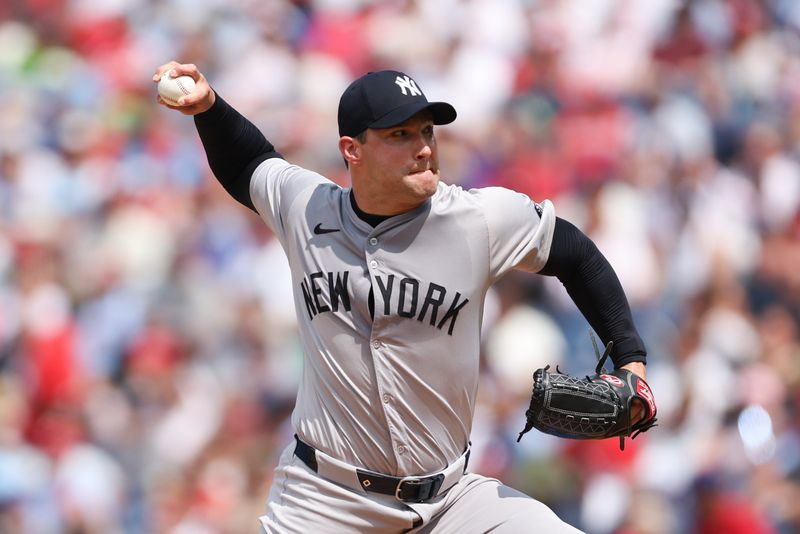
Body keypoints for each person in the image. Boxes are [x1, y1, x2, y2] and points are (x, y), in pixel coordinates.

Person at [153, 60, 651, 533]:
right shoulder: (306, 208)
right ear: (353, 149)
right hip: (326, 499)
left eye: (427, 132)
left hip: (450, 502)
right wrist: (209, 107)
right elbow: (252, 164)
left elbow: (576, 255)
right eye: (401, 135)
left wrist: (631, 362)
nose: (424, 148)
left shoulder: (477, 220)